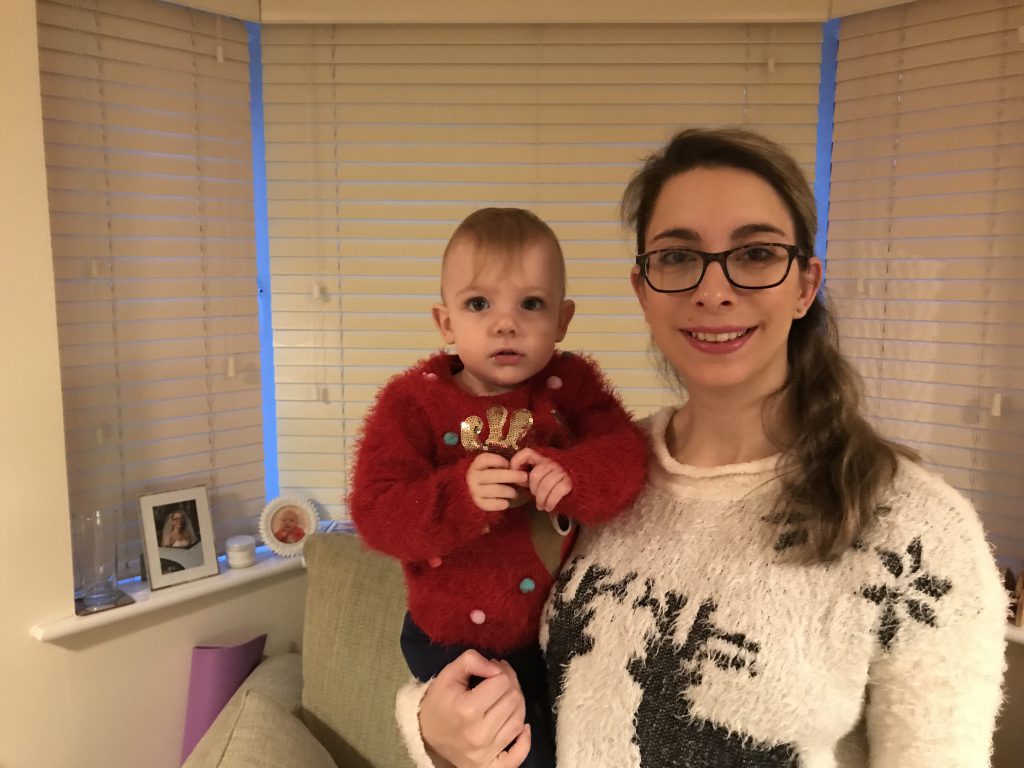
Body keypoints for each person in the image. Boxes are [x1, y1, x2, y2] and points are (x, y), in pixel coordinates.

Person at [400, 129, 1007, 768]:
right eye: (677, 257)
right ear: (642, 290)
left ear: (804, 285)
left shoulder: (920, 534)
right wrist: (431, 730)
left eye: (755, 254)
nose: (713, 291)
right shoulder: (589, 472)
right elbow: (495, 658)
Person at [349, 207, 648, 768]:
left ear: (562, 320)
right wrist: (458, 496)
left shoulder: (572, 389)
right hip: (456, 640)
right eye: (479, 304)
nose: (505, 323)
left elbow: (626, 458)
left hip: (562, 637)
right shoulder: (411, 404)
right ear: (445, 323)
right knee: (510, 755)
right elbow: (376, 513)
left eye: (530, 304)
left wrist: (576, 474)